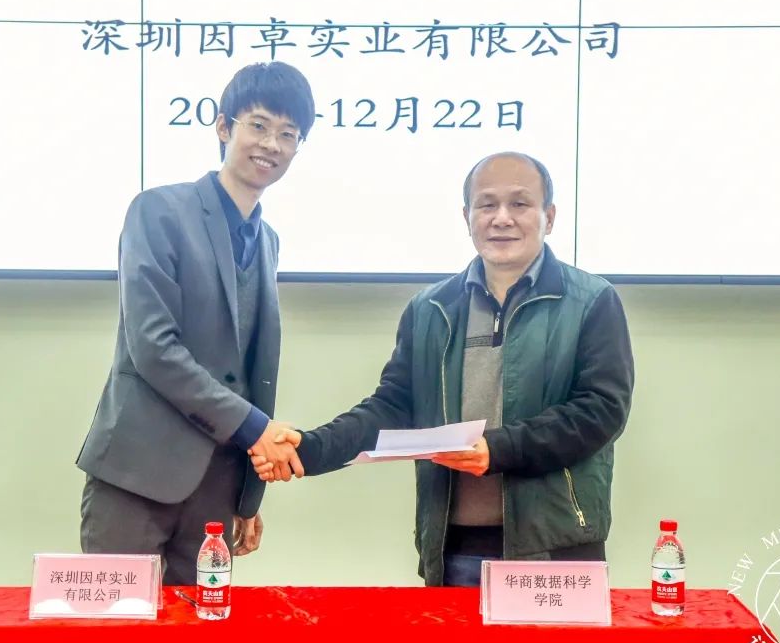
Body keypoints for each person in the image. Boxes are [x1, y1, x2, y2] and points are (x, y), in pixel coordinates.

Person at [253, 152, 635, 587]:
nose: (502, 218)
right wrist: (309, 448)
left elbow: (601, 410)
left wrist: (499, 450)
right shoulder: (430, 308)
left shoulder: (591, 301)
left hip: (557, 548)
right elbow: (392, 407)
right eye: (487, 204)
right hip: (453, 550)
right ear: (466, 216)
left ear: (549, 216)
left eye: (519, 203)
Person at [76, 62, 312, 585]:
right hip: (135, 475)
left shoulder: (268, 241)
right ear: (224, 127)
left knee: (203, 633)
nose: (271, 144)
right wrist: (256, 430)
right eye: (258, 125)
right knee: (117, 630)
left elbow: (248, 371)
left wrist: (248, 494)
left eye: (288, 134)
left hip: (218, 487)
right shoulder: (158, 211)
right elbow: (153, 347)